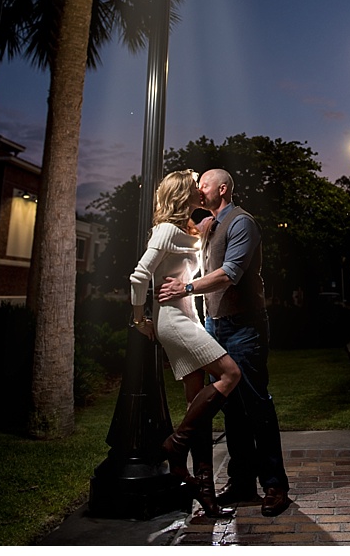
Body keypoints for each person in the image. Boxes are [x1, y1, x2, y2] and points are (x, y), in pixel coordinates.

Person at [158, 168, 292, 517]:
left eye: (202, 184)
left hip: (245, 326)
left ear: (222, 188)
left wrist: (185, 288)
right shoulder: (207, 226)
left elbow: (229, 274)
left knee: (256, 404)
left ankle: (275, 485)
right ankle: (243, 482)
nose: (198, 190)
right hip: (214, 326)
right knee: (231, 408)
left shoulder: (241, 223)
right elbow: (175, 241)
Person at [130, 170, 241, 518]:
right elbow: (138, 275)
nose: (200, 190)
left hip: (189, 317)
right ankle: (175, 447)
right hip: (172, 321)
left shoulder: (189, 230)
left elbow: (199, 250)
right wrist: (139, 318)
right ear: (182, 194)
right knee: (230, 374)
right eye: (195, 187)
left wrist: (211, 222)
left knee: (199, 408)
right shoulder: (164, 231)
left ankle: (204, 496)